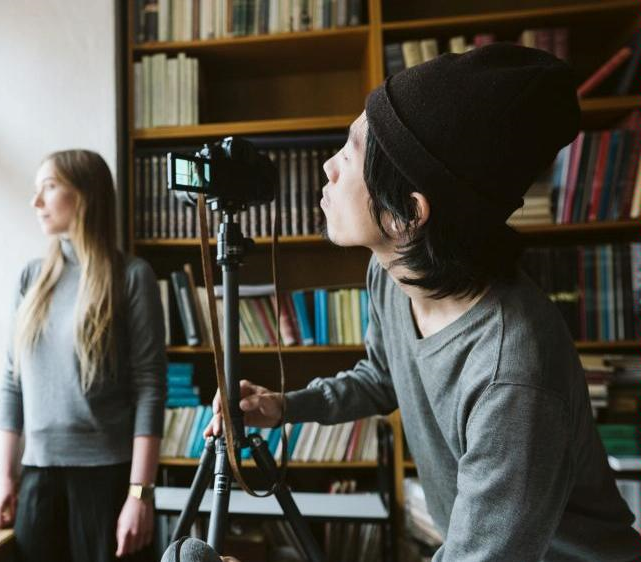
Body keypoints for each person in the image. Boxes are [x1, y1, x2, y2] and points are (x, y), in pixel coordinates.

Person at [207, 44, 641, 560]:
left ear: (406, 215)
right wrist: (284, 406)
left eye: (349, 154)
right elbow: (382, 376)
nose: (328, 167)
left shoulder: (511, 373)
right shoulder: (392, 273)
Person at [0, 149, 167, 562]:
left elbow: (150, 389)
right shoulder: (31, 277)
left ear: (85, 195)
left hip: (109, 481)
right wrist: (2, 476)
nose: (36, 202)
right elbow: (12, 382)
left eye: (49, 187)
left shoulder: (131, 276)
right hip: (38, 478)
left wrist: (140, 494)